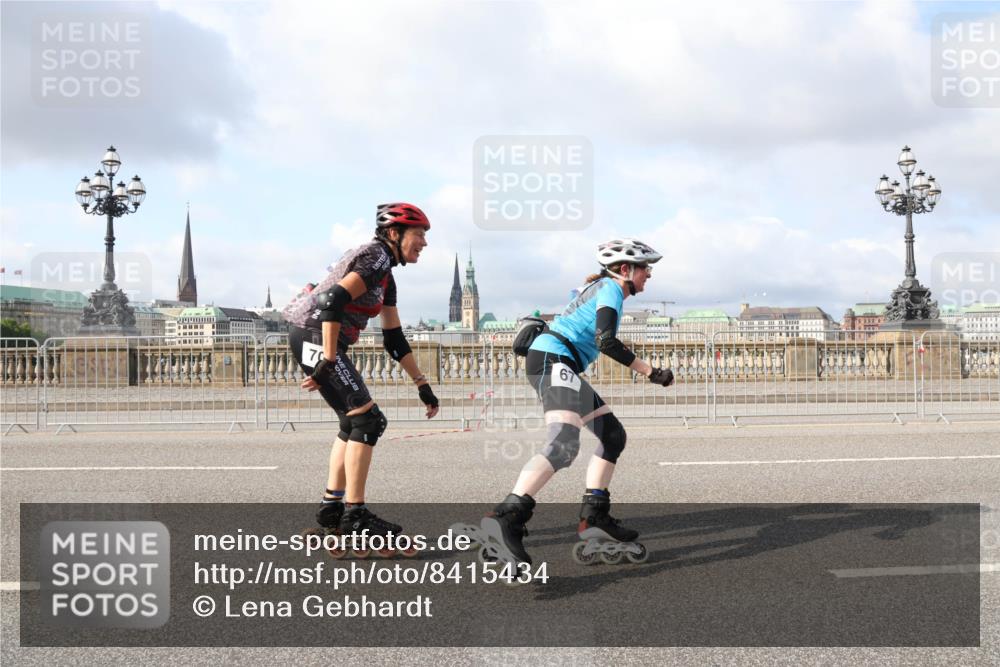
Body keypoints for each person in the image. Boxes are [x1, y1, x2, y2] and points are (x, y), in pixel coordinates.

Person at [482, 238, 674, 564]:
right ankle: (507, 518)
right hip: (553, 360)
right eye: (645, 268)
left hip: (560, 362)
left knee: (612, 435)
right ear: (625, 269)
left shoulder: (602, 287)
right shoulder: (611, 289)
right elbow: (606, 341)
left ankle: (595, 516)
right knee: (564, 445)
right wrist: (651, 372)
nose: (649, 275)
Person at [283, 203, 440, 544]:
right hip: (315, 335)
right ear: (394, 233)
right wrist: (328, 358)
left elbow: (394, 338)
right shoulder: (376, 257)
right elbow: (331, 300)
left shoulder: (386, 275)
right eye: (419, 234)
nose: (424, 242)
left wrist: (422, 383)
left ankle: (332, 509)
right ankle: (355, 515)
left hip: (315, 337)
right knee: (369, 422)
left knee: (353, 422)